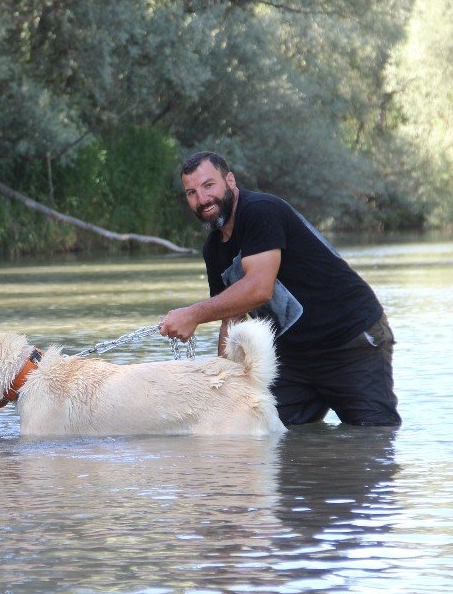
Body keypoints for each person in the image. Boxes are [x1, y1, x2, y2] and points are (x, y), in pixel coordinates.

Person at [159, 151, 400, 427]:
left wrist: (193, 314)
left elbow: (260, 289)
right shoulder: (213, 249)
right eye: (191, 192)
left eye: (208, 185)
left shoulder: (260, 210)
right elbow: (232, 317)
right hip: (294, 358)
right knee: (263, 432)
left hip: (350, 340)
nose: (202, 199)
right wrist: (224, 383)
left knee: (373, 441)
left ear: (230, 180)